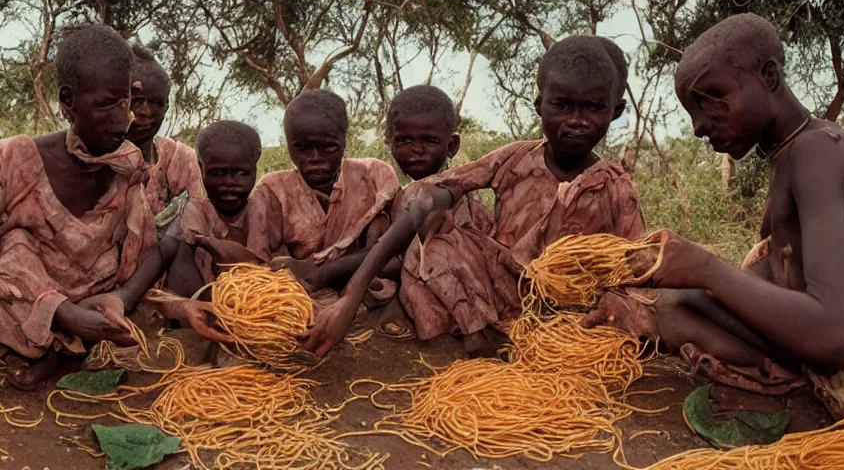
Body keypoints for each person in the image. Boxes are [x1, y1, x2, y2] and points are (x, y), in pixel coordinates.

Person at [304, 35, 645, 357]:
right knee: (435, 243)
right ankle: (480, 336)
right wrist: (350, 298)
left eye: (593, 108)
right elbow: (435, 192)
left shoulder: (617, 187)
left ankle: (533, 343)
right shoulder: (514, 159)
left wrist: (616, 308)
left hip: (572, 308)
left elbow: (637, 268)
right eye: (562, 104)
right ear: (540, 104)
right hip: (502, 290)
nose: (576, 121)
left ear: (614, 112)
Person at [632, 13, 844, 421]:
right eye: (692, 109)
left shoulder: (816, 153)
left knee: (680, 306)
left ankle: (786, 379)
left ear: (768, 76)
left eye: (711, 98)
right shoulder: (788, 155)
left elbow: (834, 339)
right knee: (673, 305)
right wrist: (661, 272)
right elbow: (780, 275)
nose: (699, 126)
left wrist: (706, 268)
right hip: (832, 329)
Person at [0, 25, 209, 390]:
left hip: (89, 290)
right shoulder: (15, 158)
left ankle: (68, 346)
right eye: (106, 104)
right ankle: (64, 326)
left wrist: (124, 299)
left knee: (111, 270)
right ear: (67, 101)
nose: (123, 117)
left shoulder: (127, 167)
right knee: (13, 255)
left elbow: (140, 256)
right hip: (23, 288)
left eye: (125, 102)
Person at [203, 89, 400, 293]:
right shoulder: (273, 190)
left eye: (328, 147)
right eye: (302, 148)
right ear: (288, 145)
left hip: (365, 287)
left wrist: (325, 270)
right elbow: (258, 263)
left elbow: (393, 253)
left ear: (344, 141)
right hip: (296, 293)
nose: (315, 157)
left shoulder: (374, 176)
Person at [372, 85, 494, 337]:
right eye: (404, 140)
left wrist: (338, 269)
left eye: (429, 140)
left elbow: (406, 254)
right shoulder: (405, 191)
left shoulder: (438, 190)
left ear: (452, 146)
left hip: (458, 281)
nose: (416, 150)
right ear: (389, 141)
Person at [168, 121, 264, 296]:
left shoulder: (263, 208)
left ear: (255, 168)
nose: (230, 183)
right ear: (200, 167)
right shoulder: (196, 210)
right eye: (217, 173)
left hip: (262, 302)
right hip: (207, 304)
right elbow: (181, 264)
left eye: (242, 173)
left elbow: (263, 269)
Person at [127, 47, 203, 237]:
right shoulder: (98, 159)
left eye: (156, 103)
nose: (145, 111)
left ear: (167, 107)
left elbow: (198, 223)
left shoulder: (180, 160)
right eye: (136, 101)